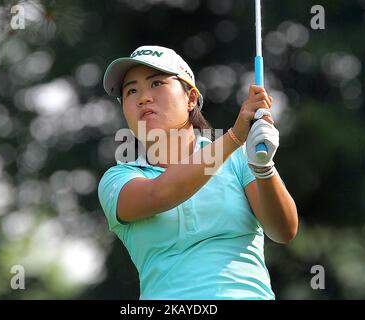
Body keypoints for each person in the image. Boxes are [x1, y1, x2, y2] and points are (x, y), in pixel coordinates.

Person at [98, 45, 298, 300]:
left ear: (191, 99)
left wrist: (263, 167)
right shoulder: (118, 179)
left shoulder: (236, 158)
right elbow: (158, 194)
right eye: (131, 90)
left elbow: (283, 231)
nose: (143, 97)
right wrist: (235, 137)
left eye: (157, 84)